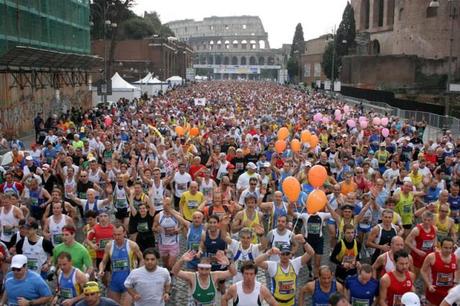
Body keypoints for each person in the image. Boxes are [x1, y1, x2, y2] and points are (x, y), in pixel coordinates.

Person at [255, 242, 314, 306]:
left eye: (287, 254)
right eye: (283, 254)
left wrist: (304, 242)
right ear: (279, 254)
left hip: (291, 303)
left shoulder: (295, 264)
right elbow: (256, 262)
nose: (285, 256)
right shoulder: (273, 265)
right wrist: (268, 253)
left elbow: (311, 253)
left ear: (290, 254)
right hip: (276, 303)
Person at [98, 224, 143, 306]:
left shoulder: (132, 245)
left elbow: (142, 259)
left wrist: (139, 273)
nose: (117, 237)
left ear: (124, 233)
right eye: (114, 234)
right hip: (114, 282)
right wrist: (101, 270)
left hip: (129, 282)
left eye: (119, 234)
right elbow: (103, 262)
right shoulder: (109, 246)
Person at [172, 250, 236, 305]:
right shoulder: (192, 276)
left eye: (207, 269)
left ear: (210, 269)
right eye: (201, 269)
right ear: (197, 268)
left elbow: (232, 273)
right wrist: (181, 260)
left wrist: (228, 264)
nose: (204, 272)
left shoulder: (214, 275)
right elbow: (175, 272)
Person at [420, 237, 459, 306]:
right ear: (440, 247)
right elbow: (423, 270)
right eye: (446, 248)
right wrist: (429, 285)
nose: (448, 250)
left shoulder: (456, 258)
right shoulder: (431, 257)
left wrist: (455, 284)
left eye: (450, 248)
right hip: (435, 290)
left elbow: (458, 270)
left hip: (448, 291)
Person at [405, 210, 437, 276]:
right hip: (417, 256)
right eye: (425, 220)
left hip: (428, 256)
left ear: (432, 220)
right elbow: (407, 241)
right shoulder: (417, 230)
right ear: (422, 219)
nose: (426, 222)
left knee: (428, 276)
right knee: (414, 275)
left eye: (429, 220)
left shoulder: (435, 229)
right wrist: (417, 251)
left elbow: (435, 237)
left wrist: (435, 246)